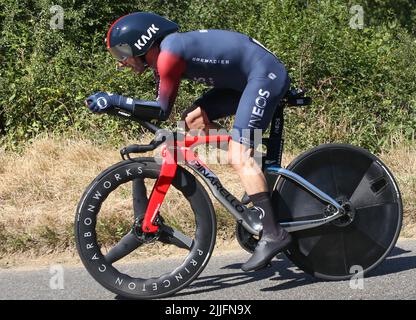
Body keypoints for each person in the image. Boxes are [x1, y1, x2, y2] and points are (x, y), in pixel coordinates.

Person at [85, 12, 292, 272]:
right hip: (245, 78)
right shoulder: (165, 54)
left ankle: (274, 234)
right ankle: (254, 163)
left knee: (238, 156)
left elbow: (160, 110)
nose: (121, 62)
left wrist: (115, 100)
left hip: (264, 75)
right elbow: (163, 111)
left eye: (121, 53)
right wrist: (117, 105)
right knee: (193, 121)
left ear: (141, 43)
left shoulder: (168, 56)